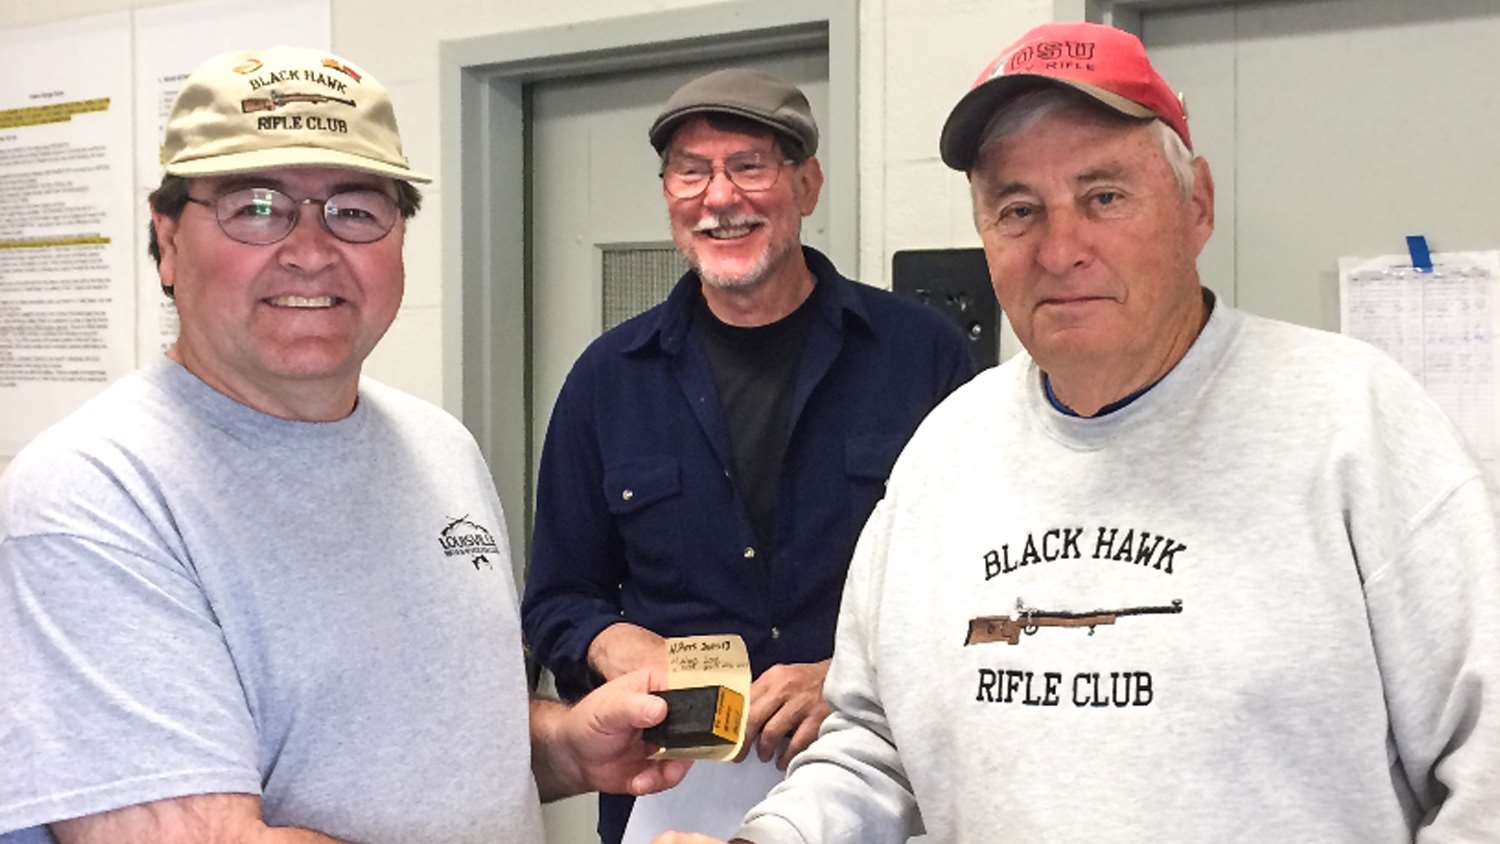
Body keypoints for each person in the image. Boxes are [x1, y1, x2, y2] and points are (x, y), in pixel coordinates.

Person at [654, 21, 1500, 844]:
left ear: (1195, 204)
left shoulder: (1355, 421)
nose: (1061, 249)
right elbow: (877, 746)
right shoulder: (947, 451)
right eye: (1018, 209)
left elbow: (1487, 760)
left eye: (1104, 196)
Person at [0, 46, 687, 844]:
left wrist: (565, 747)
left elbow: (414, 754)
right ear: (167, 237)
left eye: (354, 209)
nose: (311, 249)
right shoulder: (94, 492)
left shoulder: (440, 449)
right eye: (255, 206)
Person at [520, 67, 975, 842]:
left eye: (749, 167)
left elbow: (976, 587)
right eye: (690, 172)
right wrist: (612, 642)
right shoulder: (607, 380)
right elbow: (556, 601)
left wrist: (851, 681)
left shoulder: (919, 357)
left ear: (808, 183)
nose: (719, 197)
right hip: (669, 801)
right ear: (668, 194)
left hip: (878, 797)